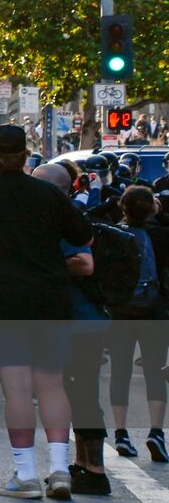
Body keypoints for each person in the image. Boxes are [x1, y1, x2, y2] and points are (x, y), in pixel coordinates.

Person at [0, 124, 93, 500]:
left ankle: (26, 474)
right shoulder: (48, 193)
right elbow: (84, 236)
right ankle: (60, 469)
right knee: (52, 384)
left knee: (17, 390)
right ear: (27, 154)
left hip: (1, 300)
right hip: (50, 298)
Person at [32, 162, 112, 495]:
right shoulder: (56, 215)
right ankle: (80, 465)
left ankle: (94, 469)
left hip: (81, 323)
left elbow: (84, 263)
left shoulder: (63, 219)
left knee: (81, 394)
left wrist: (43, 260)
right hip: (70, 321)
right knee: (71, 392)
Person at [107, 185, 169, 462]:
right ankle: (156, 431)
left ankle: (121, 432)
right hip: (155, 310)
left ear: (123, 207)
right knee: (154, 371)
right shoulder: (162, 235)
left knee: (119, 371)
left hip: (121, 311)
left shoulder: (114, 235)